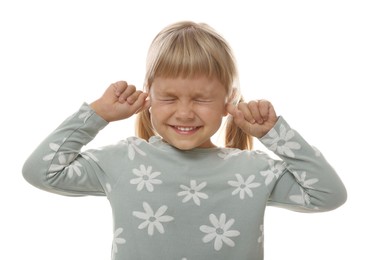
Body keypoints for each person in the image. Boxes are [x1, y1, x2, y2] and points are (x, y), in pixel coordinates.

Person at [22, 21, 347, 260]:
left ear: (228, 100)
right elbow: (40, 171)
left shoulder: (253, 171)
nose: (185, 112)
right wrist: (98, 114)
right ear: (149, 94)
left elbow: (328, 194)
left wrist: (276, 134)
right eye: (170, 97)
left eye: (202, 99)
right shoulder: (124, 161)